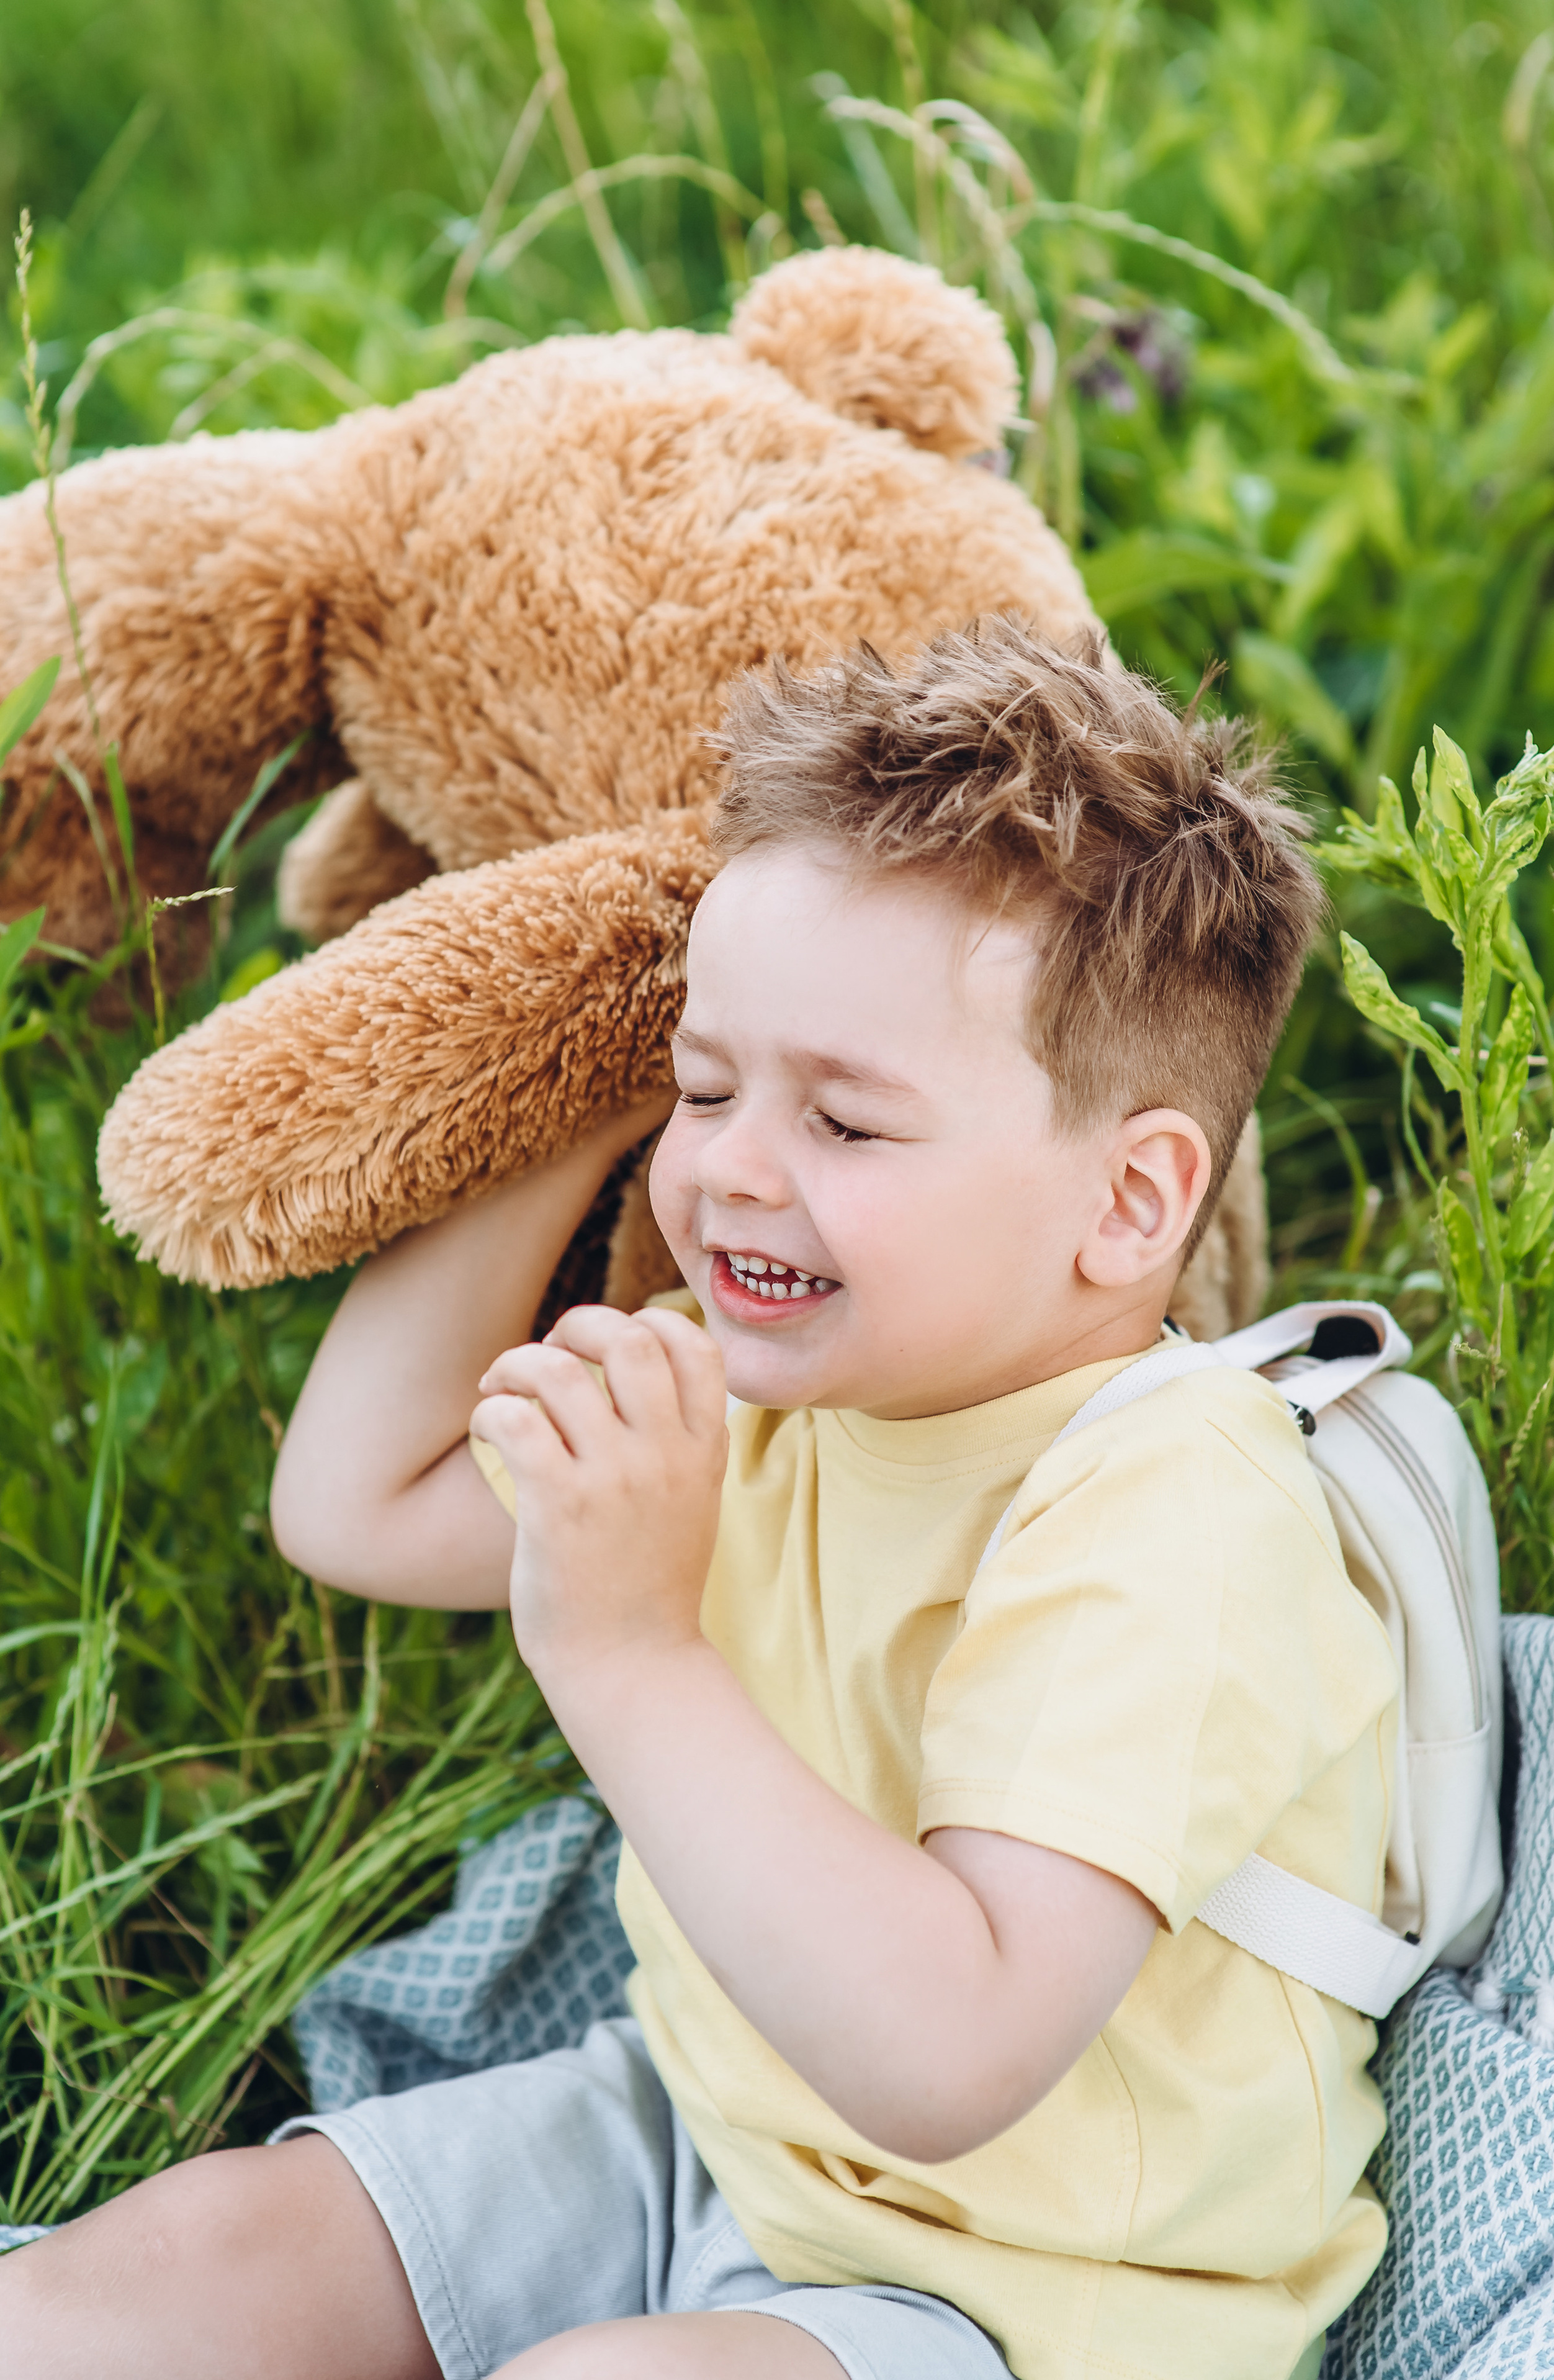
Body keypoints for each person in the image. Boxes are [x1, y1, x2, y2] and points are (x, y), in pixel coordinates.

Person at [1, 622, 1397, 2380]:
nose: (732, 1165)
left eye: (850, 1123)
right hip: (713, 2125)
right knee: (143, 2290)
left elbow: (950, 2053)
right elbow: (358, 1499)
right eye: (711, 1080)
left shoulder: (1174, 1503)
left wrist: (633, 1647)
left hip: (1026, 2296)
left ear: (1130, 1204)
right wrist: (577, 1068)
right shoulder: (757, 1390)